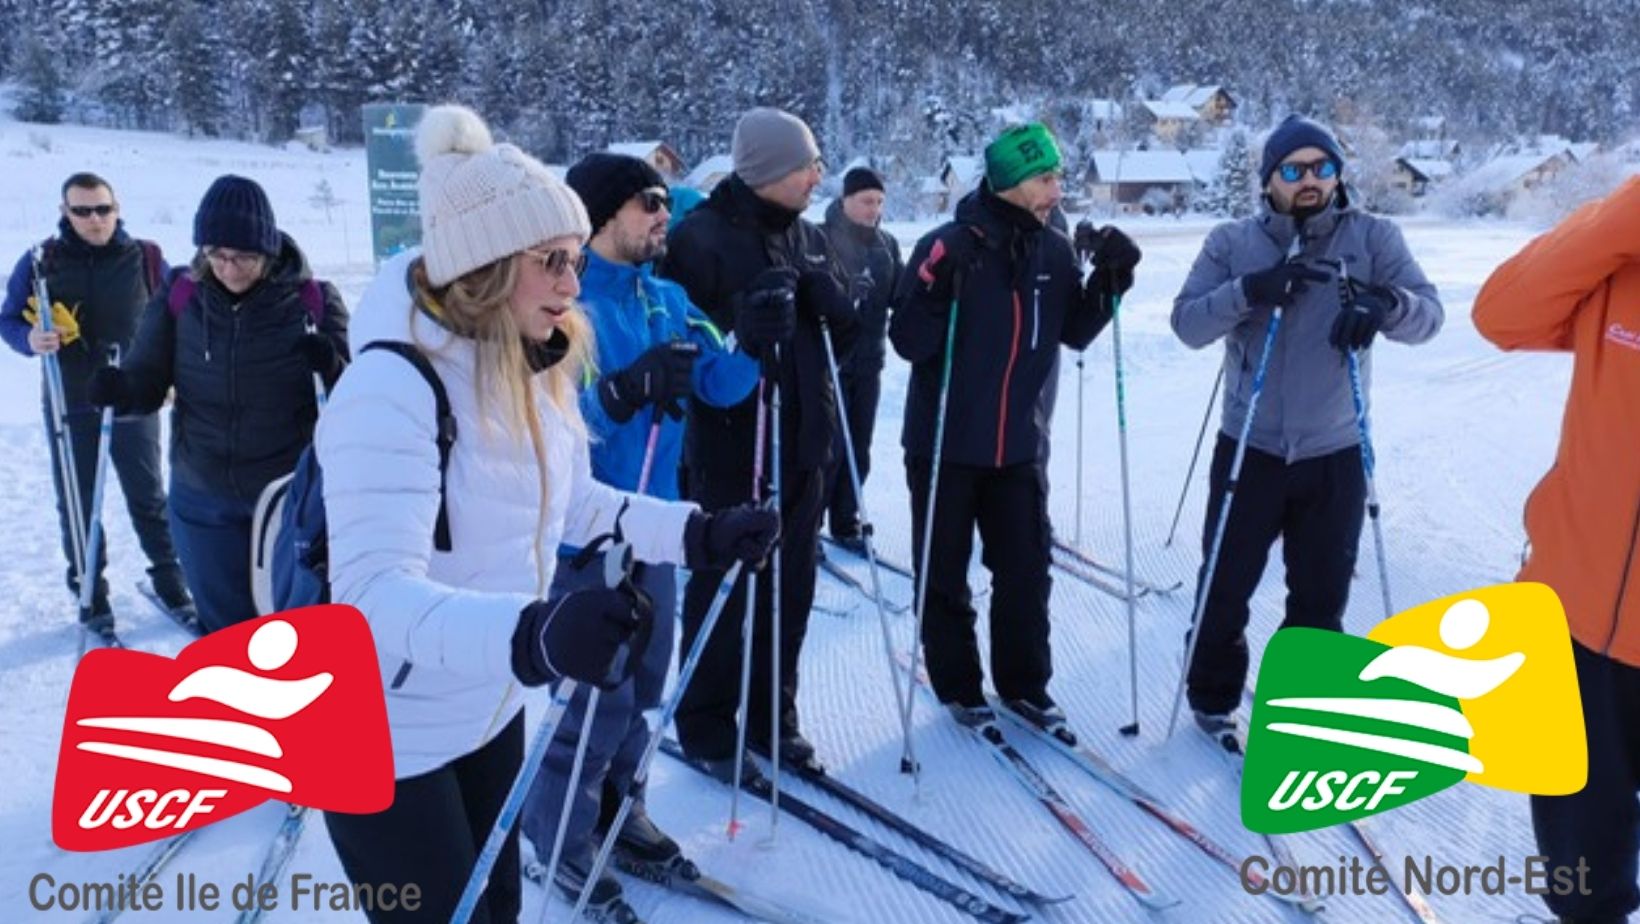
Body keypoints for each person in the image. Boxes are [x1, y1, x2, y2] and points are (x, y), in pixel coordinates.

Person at [315, 105, 778, 924]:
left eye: (572, 259)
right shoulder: (391, 389)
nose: (572, 285)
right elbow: (368, 601)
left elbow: (578, 504)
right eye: (552, 263)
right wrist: (532, 633)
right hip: (381, 734)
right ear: (485, 267)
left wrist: (699, 531)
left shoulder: (530, 366)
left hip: (484, 709)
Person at [519, 152, 761, 914]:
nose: (664, 214)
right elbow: (549, 425)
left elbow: (721, 383)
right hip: (585, 539)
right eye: (647, 201)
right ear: (601, 217)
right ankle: (559, 834)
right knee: (594, 700)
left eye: (664, 201)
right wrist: (622, 391)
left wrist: (753, 338)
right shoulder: (566, 305)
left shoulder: (669, 299)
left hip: (659, 529)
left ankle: (622, 811)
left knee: (647, 689)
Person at [1170, 114, 1443, 733]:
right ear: (1270, 182)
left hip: (1335, 451)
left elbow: (1430, 315)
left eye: (1322, 167)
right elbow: (1187, 325)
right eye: (1293, 171)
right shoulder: (1232, 242)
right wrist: (1249, 290)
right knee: (1224, 585)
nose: (1310, 181)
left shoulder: (1373, 238)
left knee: (1320, 600)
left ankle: (1303, 709)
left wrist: (1384, 305)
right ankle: (1213, 700)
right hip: (1251, 447)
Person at [890, 122, 1139, 733]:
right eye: (1044, 177)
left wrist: (1111, 285)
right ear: (1008, 181)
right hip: (945, 444)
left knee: (1026, 573)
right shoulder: (946, 246)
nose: (1057, 188)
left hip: (1019, 447)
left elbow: (1074, 332)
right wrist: (929, 291)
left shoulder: (1053, 251)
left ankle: (1026, 685)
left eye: (1057, 175)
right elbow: (907, 341)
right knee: (944, 575)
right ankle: (959, 686)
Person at [661, 106, 857, 779]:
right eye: (806, 165)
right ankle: (707, 725)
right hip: (734, 443)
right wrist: (737, 320)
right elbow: (678, 338)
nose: (816, 175)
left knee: (793, 587)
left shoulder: (807, 236)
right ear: (771, 170)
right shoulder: (701, 239)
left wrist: (834, 303)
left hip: (806, 440)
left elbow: (845, 336)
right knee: (726, 585)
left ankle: (775, 717)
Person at [1472, 175, 1640, 924]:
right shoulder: (1618, 258)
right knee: (1581, 870)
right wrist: (1624, 214)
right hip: (1576, 619)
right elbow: (1501, 315)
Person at [85, 175, 349, 634]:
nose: (228, 268)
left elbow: (351, 401)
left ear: (267, 248)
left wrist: (330, 364)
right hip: (203, 493)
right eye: (217, 255)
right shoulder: (181, 295)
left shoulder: (312, 301)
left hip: (287, 496)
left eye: (243, 256)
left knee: (294, 630)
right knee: (226, 633)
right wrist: (121, 392)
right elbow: (146, 378)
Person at [0, 172, 193, 632]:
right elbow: (7, 318)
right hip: (72, 399)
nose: (94, 219)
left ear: (117, 208)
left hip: (133, 392)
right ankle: (91, 591)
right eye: (82, 210)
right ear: (65, 212)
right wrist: (30, 337)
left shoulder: (145, 258)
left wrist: (171, 374)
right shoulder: (41, 261)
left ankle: (170, 580)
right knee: (78, 499)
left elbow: (177, 318)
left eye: (102, 209)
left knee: (147, 494)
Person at [820, 166, 903, 552]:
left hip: (869, 360)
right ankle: (806, 524)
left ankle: (845, 519)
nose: (873, 209)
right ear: (846, 200)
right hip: (828, 365)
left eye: (879, 202)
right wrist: (843, 293)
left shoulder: (886, 245)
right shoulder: (821, 238)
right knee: (826, 449)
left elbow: (901, 294)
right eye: (866, 201)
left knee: (859, 446)